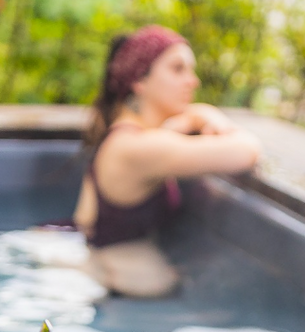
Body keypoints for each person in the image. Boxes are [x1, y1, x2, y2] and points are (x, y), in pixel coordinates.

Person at [73, 25, 262, 297]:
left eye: (191, 70)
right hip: (115, 288)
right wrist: (207, 114)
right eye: (178, 69)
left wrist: (190, 118)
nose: (192, 81)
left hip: (106, 277)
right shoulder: (138, 147)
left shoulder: (123, 135)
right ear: (139, 81)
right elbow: (247, 151)